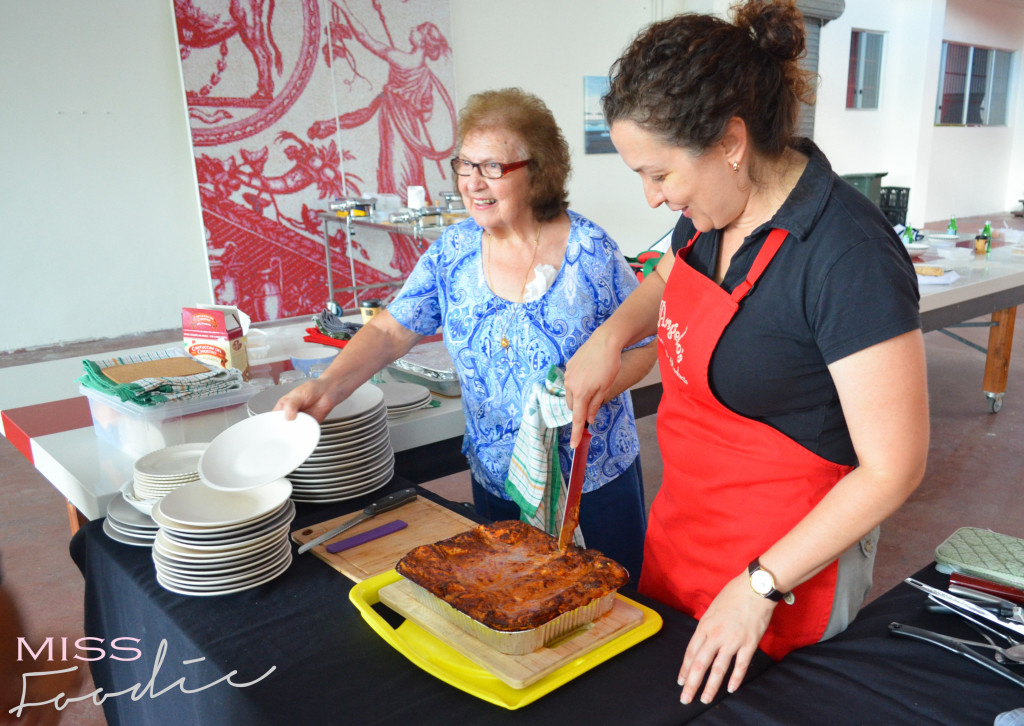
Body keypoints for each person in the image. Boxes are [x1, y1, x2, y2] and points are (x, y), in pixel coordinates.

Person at [563, 0, 929, 706]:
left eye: (660, 175)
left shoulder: (847, 257)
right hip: (684, 537)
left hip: (790, 569)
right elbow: (668, 281)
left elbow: (895, 467)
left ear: (731, 141)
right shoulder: (710, 218)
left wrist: (762, 583)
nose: (652, 197)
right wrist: (611, 339)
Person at [278, 88, 656, 580]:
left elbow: (646, 348)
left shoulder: (590, 251)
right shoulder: (452, 251)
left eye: (493, 168)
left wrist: (593, 387)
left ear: (537, 171)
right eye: (465, 165)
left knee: (610, 610)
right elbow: (392, 330)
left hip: (591, 483)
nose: (473, 183)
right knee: (511, 604)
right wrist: (327, 386)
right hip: (499, 479)